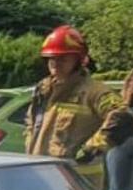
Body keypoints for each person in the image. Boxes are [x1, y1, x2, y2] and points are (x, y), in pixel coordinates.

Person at [24, 26, 117, 165]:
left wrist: (91, 149)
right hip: (42, 169)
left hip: (78, 175)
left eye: (63, 58)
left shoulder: (95, 91)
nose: (55, 63)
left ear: (78, 61)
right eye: (51, 58)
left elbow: (122, 117)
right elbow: (31, 123)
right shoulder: (43, 89)